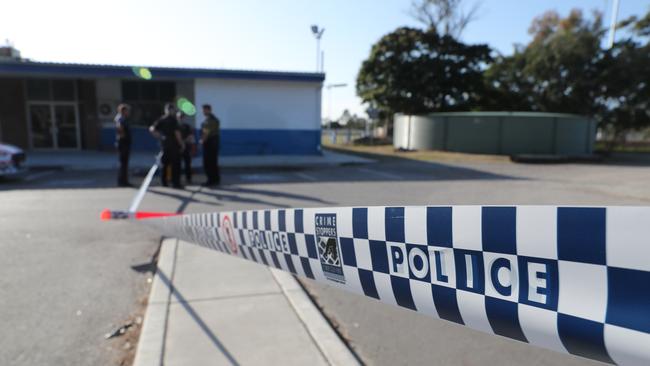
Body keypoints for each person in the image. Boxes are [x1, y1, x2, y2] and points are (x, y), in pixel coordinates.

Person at [149, 103, 185, 189]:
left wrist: (161, 137)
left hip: (165, 145)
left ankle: (164, 182)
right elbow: (177, 133)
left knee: (165, 164)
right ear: (172, 110)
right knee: (175, 164)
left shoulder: (161, 119)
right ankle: (175, 183)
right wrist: (181, 143)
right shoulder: (173, 120)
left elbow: (152, 129)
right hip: (174, 145)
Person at [200, 104, 221, 186]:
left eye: (204, 110)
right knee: (214, 162)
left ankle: (210, 180)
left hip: (209, 144)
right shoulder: (213, 119)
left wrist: (202, 141)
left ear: (208, 110)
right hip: (214, 144)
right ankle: (216, 179)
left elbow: (206, 132)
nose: (203, 112)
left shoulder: (209, 120)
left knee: (208, 163)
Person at [114, 104, 132, 187]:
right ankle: (122, 181)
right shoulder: (120, 118)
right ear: (123, 111)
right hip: (123, 143)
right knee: (123, 163)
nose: (128, 112)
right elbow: (119, 127)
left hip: (124, 143)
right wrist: (123, 135)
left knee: (125, 163)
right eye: (127, 110)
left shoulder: (123, 118)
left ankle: (124, 180)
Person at [177, 111, 196, 184]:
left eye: (181, 117)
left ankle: (188, 179)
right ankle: (177, 179)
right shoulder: (175, 126)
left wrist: (184, 142)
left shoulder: (187, 126)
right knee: (177, 164)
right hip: (177, 148)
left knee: (187, 164)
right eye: (179, 117)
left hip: (186, 147)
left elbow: (191, 136)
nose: (180, 118)